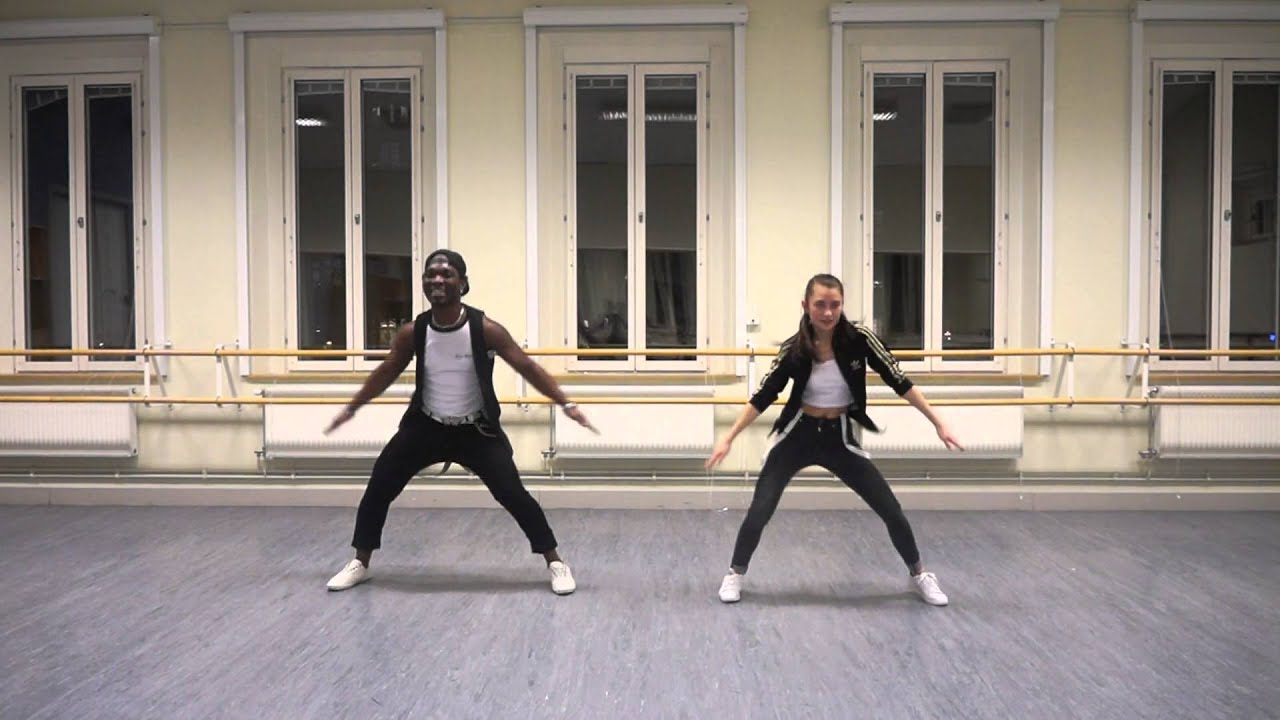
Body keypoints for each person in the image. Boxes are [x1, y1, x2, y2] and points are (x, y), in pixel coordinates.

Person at [324, 249, 597, 595]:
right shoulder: (413, 332)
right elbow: (387, 371)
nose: (437, 280)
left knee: (513, 494)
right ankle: (360, 562)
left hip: (475, 430)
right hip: (426, 427)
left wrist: (567, 404)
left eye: (446, 274)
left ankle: (555, 562)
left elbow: (527, 367)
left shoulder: (485, 329)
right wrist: (353, 407)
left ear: (463, 284)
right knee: (379, 487)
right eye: (430, 275)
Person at [705, 273, 962, 605]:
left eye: (835, 305)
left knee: (890, 508)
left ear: (842, 305)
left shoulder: (860, 339)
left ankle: (920, 574)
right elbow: (764, 395)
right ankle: (735, 573)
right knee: (760, 509)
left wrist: (939, 423)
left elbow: (899, 380)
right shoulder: (794, 349)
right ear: (806, 305)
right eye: (820, 305)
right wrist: (728, 438)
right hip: (796, 436)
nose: (827, 313)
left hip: (838, 438)